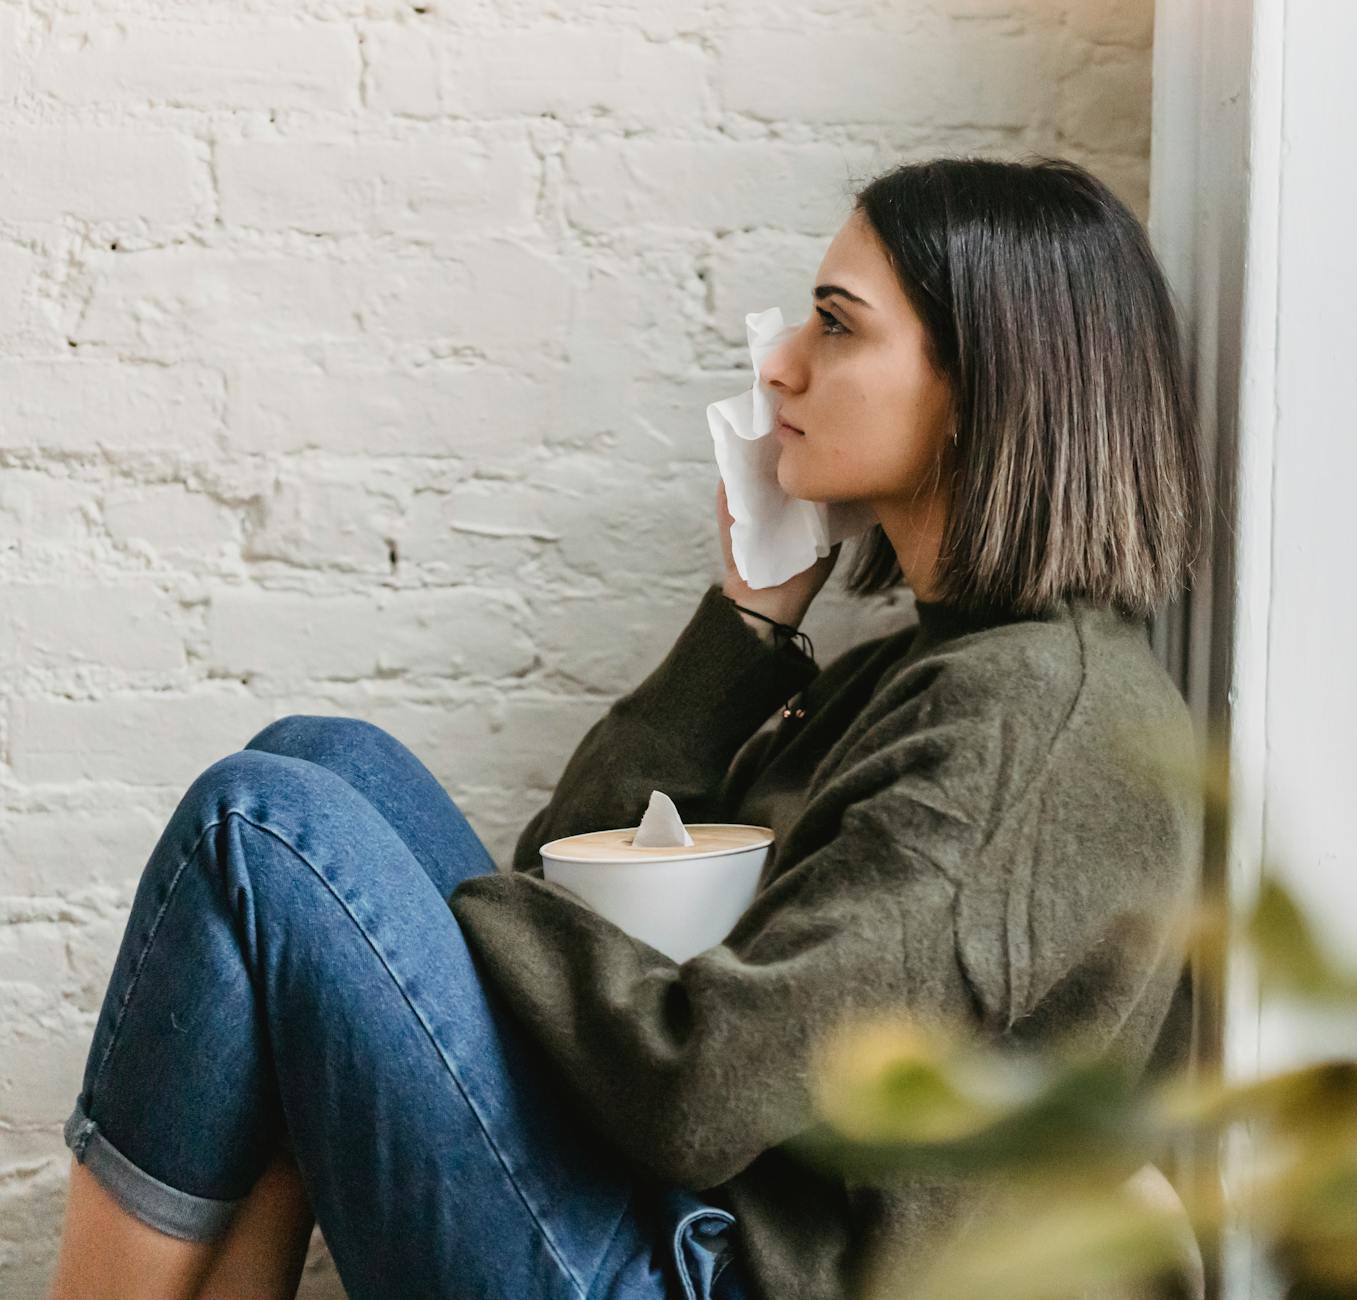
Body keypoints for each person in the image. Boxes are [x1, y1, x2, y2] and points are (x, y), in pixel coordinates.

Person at [45, 155, 1210, 1300]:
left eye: (835, 327)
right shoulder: (931, 668)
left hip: (716, 1270)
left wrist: (413, 926)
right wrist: (750, 622)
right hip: (684, 1221)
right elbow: (576, 864)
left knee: (259, 829)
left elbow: (699, 1083)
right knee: (320, 760)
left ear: (979, 393)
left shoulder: (1028, 726)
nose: (780, 371)